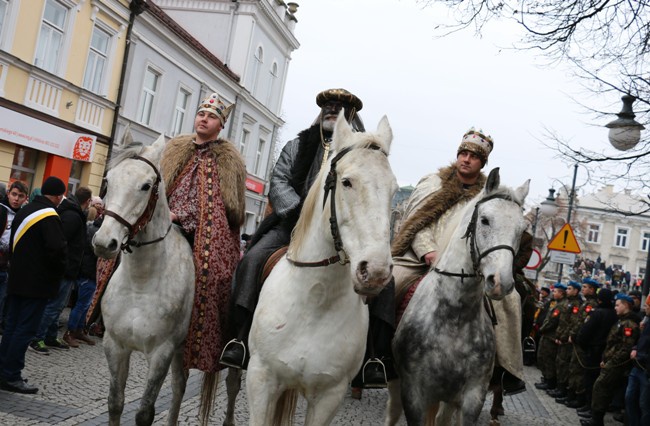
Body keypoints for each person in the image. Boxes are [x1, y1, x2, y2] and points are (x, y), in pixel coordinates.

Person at [159, 92, 246, 374]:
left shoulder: (228, 158)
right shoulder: (175, 149)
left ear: (220, 125)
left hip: (202, 228)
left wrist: (181, 216)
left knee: (215, 274)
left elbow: (228, 207)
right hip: (163, 219)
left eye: (211, 116)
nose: (204, 119)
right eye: (201, 114)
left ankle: (215, 341)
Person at [0, 176, 67, 393]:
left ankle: (3, 370)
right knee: (25, 329)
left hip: (17, 278)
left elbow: (11, 243)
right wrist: (58, 274)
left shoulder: (23, 212)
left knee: (11, 326)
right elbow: (57, 250)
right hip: (36, 284)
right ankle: (11, 375)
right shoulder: (50, 216)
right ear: (57, 196)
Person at [30, 187, 92, 353]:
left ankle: (50, 336)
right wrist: (65, 264)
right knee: (54, 306)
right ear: (87, 201)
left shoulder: (72, 213)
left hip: (68, 269)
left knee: (57, 306)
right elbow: (61, 242)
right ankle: (37, 339)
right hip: (65, 269)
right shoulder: (73, 216)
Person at [580, 293, 641, 426]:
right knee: (601, 389)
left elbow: (625, 348)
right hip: (610, 361)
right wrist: (604, 358)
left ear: (626, 306)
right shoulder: (621, 320)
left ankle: (596, 419)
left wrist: (611, 362)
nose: (615, 308)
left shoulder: (629, 324)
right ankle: (595, 417)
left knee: (600, 388)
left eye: (618, 305)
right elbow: (612, 344)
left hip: (616, 364)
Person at [576, 288, 618, 418]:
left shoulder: (598, 313)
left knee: (590, 381)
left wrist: (582, 344)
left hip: (593, 350)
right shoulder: (614, 314)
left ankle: (590, 407)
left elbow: (586, 331)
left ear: (599, 299)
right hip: (605, 351)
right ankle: (590, 407)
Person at [563, 277, 600, 409]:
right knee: (573, 367)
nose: (582, 289)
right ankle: (571, 394)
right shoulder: (586, 302)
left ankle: (579, 398)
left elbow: (583, 323)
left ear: (592, 289)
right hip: (577, 338)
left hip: (582, 341)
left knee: (578, 369)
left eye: (585, 287)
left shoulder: (592, 304)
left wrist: (574, 335)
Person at [0, 181, 29, 329]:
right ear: (8, 194)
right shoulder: (1, 210)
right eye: (14, 194)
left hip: (10, 267)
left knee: (5, 298)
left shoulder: (24, 216)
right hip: (1, 262)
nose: (16, 199)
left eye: (20, 196)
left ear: (26, 198)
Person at [549, 280, 582, 400]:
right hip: (561, 336)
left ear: (575, 291)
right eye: (567, 288)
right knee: (559, 362)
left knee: (564, 364)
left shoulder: (576, 304)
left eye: (569, 289)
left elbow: (572, 323)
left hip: (567, 339)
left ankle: (562, 389)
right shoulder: (568, 302)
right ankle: (559, 387)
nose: (567, 290)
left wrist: (564, 337)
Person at [535, 283, 568, 391]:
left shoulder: (561, 305)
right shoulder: (556, 303)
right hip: (547, 335)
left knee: (548, 359)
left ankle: (550, 382)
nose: (553, 293)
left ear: (561, 293)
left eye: (556, 291)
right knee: (542, 357)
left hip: (551, 336)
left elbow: (552, 321)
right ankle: (546, 379)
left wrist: (542, 329)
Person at [625, 294, 650, 426]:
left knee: (644, 405)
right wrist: (635, 348)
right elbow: (641, 341)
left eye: (647, 306)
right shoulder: (646, 322)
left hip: (646, 370)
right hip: (637, 366)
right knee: (629, 398)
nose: (645, 308)